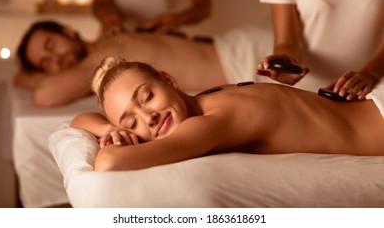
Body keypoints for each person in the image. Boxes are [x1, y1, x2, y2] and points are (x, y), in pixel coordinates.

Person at [70, 56, 384, 171]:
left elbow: (109, 163)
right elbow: (78, 120)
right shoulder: (208, 98)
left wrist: (116, 133)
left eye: (147, 97)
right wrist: (110, 129)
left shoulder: (213, 123)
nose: (147, 117)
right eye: (132, 121)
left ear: (168, 80)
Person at [14, 20, 272, 107]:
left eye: (51, 46)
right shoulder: (105, 51)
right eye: (45, 63)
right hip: (243, 59)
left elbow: (45, 95)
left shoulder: (105, 52)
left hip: (252, 57)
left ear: (68, 31)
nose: (56, 58)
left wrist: (33, 77)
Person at [257, 0, 384, 101]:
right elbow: (286, 42)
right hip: (307, 94)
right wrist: (289, 64)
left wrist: (369, 75)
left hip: (372, 90)